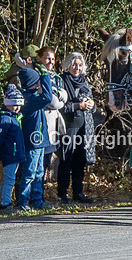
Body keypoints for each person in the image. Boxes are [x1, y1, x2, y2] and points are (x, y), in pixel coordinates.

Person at [57, 52, 97, 204]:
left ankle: (78, 193)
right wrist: (77, 106)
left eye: (80, 65)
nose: (77, 68)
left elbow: (92, 103)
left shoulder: (84, 81)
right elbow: (59, 106)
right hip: (68, 126)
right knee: (66, 160)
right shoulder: (61, 80)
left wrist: (92, 105)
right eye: (74, 64)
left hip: (84, 126)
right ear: (68, 65)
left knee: (80, 161)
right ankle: (62, 194)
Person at [15, 66, 53, 211]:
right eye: (37, 81)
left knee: (39, 172)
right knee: (30, 173)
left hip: (39, 141)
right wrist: (45, 77)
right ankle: (23, 202)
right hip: (33, 142)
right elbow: (48, 97)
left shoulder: (31, 97)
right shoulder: (29, 99)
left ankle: (37, 200)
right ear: (33, 82)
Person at [35, 46, 67, 188]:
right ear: (39, 58)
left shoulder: (56, 77)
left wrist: (58, 98)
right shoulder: (35, 75)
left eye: (53, 59)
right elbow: (48, 100)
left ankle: (40, 194)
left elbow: (63, 96)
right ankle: (33, 197)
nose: (50, 62)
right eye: (47, 58)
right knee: (37, 163)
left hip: (53, 124)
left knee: (47, 162)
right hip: (40, 123)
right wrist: (57, 100)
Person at [0, 85, 26, 211]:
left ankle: (4, 201)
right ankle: (5, 203)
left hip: (15, 155)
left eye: (19, 104)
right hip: (9, 155)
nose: (17, 108)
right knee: (9, 179)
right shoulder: (5, 119)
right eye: (14, 104)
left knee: (9, 178)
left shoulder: (15, 118)